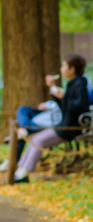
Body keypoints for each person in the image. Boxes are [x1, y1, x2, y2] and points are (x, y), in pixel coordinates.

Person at [13, 54, 90, 182]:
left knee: (38, 141)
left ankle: (22, 174)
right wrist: (55, 92)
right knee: (36, 139)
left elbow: (80, 107)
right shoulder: (74, 83)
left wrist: (62, 97)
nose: (61, 68)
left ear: (72, 69)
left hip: (70, 128)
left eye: (64, 65)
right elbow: (65, 106)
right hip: (64, 125)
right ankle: (20, 172)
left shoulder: (79, 84)